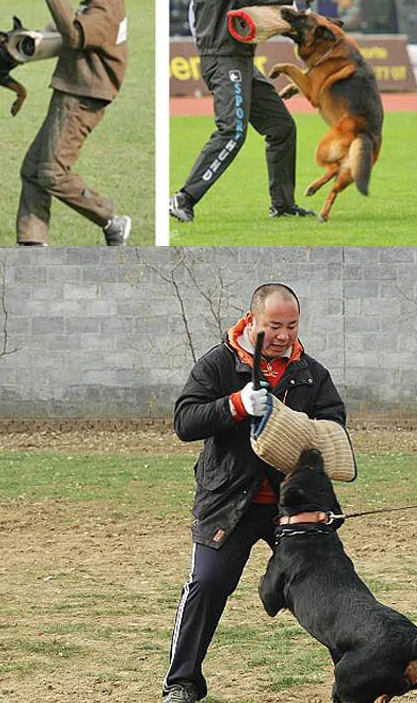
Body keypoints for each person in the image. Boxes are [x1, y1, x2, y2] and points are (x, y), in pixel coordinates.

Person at [162, 283, 347, 703]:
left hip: (295, 509)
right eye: (274, 325)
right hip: (229, 504)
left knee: (331, 588)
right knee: (206, 585)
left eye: (293, 325)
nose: (284, 335)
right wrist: (235, 405)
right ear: (253, 321)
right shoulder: (218, 364)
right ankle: (181, 684)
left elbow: (334, 425)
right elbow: (184, 421)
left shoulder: (312, 374)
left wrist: (296, 428)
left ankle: (356, 674)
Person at [169, 0, 318, 224]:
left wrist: (302, 15)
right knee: (233, 131)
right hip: (221, 59)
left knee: (281, 128)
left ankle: (283, 204)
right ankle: (184, 198)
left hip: (243, 61)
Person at [17, 0, 132, 246]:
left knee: (52, 171)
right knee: (33, 169)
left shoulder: (106, 8)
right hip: (74, 91)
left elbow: (77, 35)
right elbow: (75, 32)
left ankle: (110, 220)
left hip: (81, 98)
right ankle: (32, 245)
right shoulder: (102, 4)